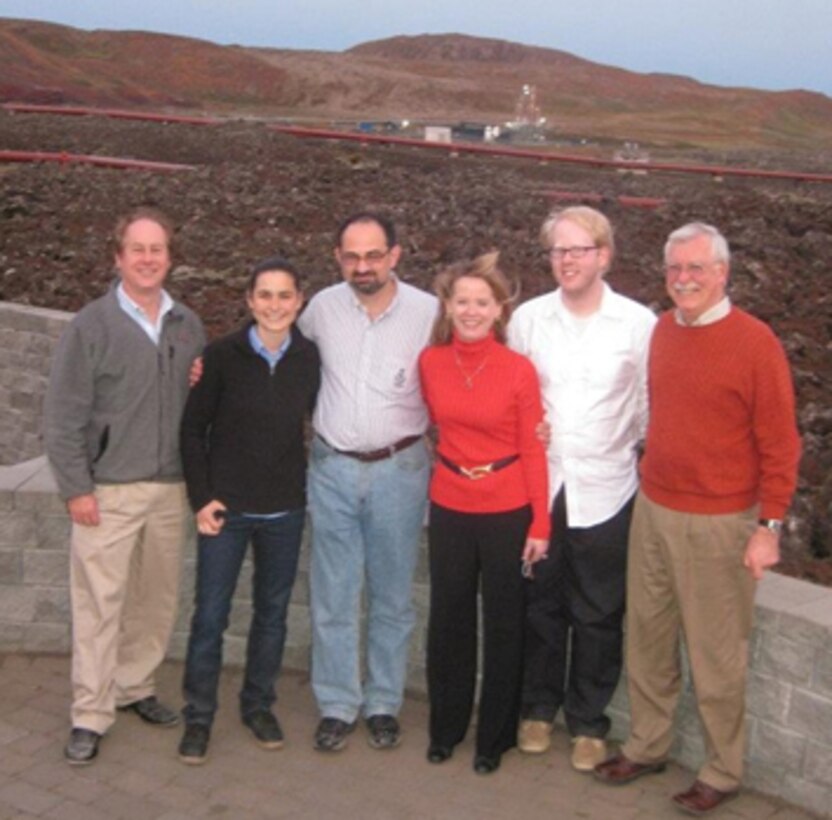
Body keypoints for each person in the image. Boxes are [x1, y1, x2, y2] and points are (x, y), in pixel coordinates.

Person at [594, 223, 801, 815]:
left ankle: (722, 770)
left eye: (696, 269)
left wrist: (770, 528)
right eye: (674, 269)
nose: (683, 279)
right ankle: (648, 744)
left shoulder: (756, 343)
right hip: (654, 509)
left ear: (722, 273)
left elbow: (781, 445)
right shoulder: (661, 331)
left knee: (715, 656)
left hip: (720, 523)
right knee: (649, 641)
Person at [43, 207, 206, 765]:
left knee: (154, 599)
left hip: (168, 487)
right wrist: (76, 488)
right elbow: (62, 415)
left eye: (156, 249)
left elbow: (196, 399)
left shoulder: (188, 324)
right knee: (98, 606)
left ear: (169, 256)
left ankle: (135, 687)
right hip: (107, 490)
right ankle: (90, 712)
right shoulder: (91, 325)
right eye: (136, 249)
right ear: (118, 257)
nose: (147, 259)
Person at [508, 206, 656, 771]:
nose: (567, 261)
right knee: (540, 604)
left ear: (604, 255)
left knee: (598, 611)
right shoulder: (528, 319)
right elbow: (514, 393)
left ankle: (589, 721)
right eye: (558, 251)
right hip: (541, 486)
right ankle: (538, 709)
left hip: (608, 486)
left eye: (579, 250)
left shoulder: (638, 324)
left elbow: (645, 405)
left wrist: (619, 444)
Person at [297, 212, 437, 752]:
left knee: (392, 596)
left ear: (395, 255)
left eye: (373, 255)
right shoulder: (322, 309)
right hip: (332, 468)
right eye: (352, 257)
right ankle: (337, 702)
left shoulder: (428, 312)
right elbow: (283, 354)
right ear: (337, 257)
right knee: (333, 594)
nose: (363, 267)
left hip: (399, 471)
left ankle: (383, 701)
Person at [177, 258, 320, 764]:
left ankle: (258, 704)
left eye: (285, 296)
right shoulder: (220, 357)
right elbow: (193, 431)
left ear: (299, 300)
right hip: (227, 510)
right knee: (210, 616)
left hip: (284, 510)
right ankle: (198, 716)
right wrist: (203, 497)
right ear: (249, 301)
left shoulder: (310, 358)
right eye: (265, 295)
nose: (275, 305)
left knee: (272, 616)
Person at [419, 251, 549, 775]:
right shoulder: (429, 362)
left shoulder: (519, 370)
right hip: (449, 503)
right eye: (462, 301)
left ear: (499, 309)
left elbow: (534, 448)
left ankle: (495, 737)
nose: (471, 311)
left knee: (504, 623)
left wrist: (541, 522)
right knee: (448, 618)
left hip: (507, 507)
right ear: (447, 307)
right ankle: (445, 728)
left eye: (482, 302)